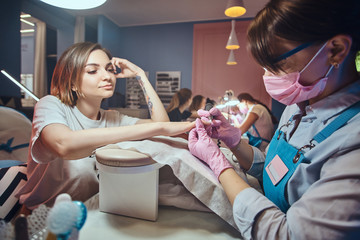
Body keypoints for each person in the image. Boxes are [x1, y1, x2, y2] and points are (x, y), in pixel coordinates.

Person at [188, 0, 360, 239]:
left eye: (279, 64)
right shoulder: (297, 107)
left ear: (336, 50)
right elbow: (273, 169)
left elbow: (286, 234)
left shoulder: (353, 142)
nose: (268, 77)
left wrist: (219, 164)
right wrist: (235, 142)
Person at [16, 42, 194, 210]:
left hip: (92, 210)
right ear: (71, 81)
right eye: (93, 71)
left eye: (110, 69)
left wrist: (140, 74)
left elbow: (161, 124)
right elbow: (64, 145)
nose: (107, 76)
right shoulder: (50, 105)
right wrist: (159, 129)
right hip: (43, 215)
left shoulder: (112, 118)